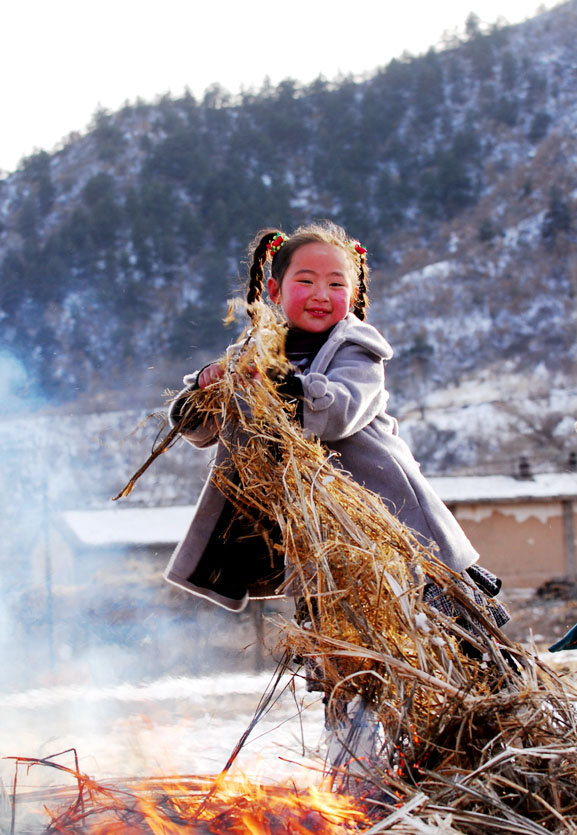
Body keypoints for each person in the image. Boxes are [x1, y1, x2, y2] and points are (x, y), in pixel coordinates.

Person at [164, 220, 508, 637]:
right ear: (274, 291)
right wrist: (209, 385)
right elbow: (202, 430)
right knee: (341, 651)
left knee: (451, 639)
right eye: (305, 281)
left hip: (389, 524)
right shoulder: (252, 355)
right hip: (320, 541)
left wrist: (276, 383)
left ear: (355, 294)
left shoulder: (358, 351)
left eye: (336, 284)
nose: (321, 295)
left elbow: (337, 413)